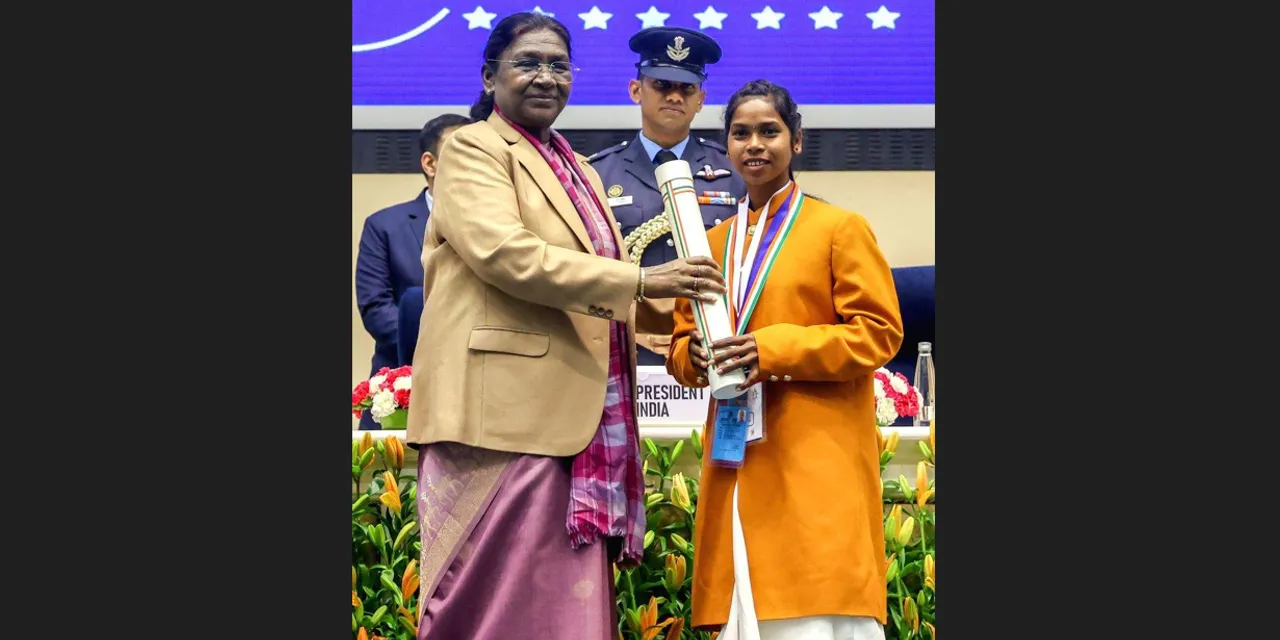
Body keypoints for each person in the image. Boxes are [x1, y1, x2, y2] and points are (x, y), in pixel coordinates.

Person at [404, 12, 727, 640]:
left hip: (567, 422)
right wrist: (642, 282)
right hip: (500, 420)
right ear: (490, 75)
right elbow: (507, 255)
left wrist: (703, 322)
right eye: (529, 62)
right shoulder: (471, 148)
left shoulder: (572, 164)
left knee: (561, 610)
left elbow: (599, 285)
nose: (546, 76)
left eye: (559, 65)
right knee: (487, 610)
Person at [667, 80, 905, 640]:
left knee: (813, 610)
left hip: (814, 456)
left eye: (769, 131)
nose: (755, 144)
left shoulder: (838, 228)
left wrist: (770, 350)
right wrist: (692, 356)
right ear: (725, 145)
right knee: (745, 604)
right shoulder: (710, 243)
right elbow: (681, 342)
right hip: (736, 455)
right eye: (740, 133)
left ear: (796, 141)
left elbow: (878, 333)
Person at [588, 26, 746, 366]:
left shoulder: (734, 172)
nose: (674, 96)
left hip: (713, 347)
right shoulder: (598, 175)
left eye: (686, 88)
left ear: (700, 100)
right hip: (625, 346)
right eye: (661, 85)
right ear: (636, 90)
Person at [354, 113, 471, 430]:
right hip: (403, 386)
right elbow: (376, 308)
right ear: (430, 164)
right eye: (461, 152)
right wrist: (441, 347)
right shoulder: (385, 226)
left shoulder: (502, 226)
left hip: (478, 391)